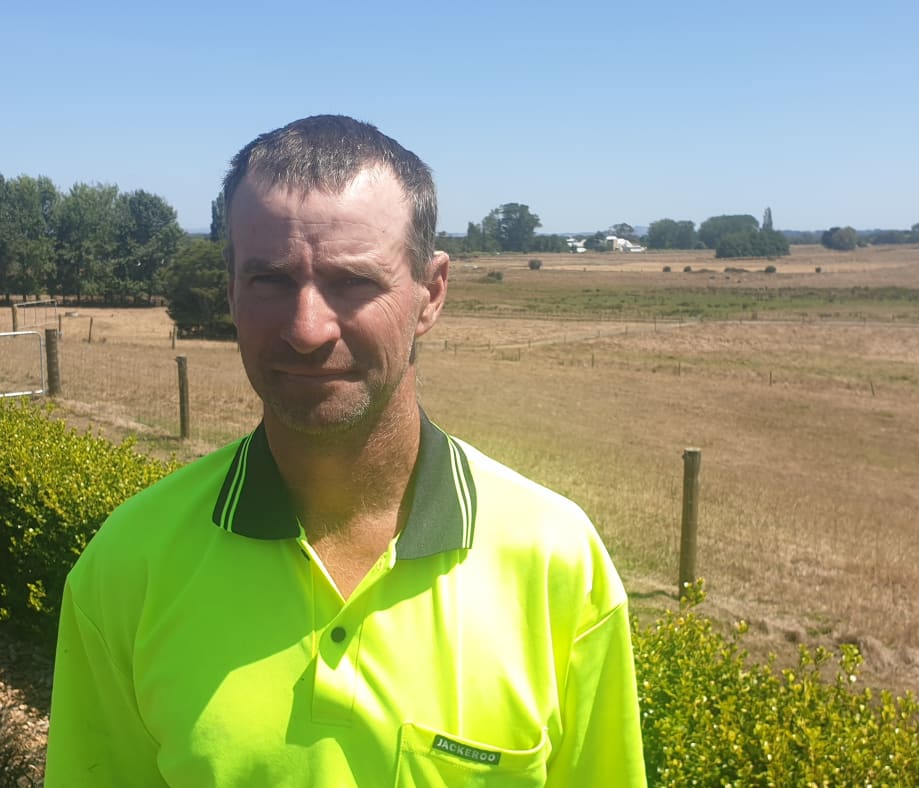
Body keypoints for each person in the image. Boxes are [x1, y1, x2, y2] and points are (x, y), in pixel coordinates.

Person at [45, 115, 646, 786]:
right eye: (270, 280)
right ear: (232, 291)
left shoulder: (558, 564)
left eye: (354, 282)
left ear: (431, 293)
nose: (306, 329)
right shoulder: (128, 565)